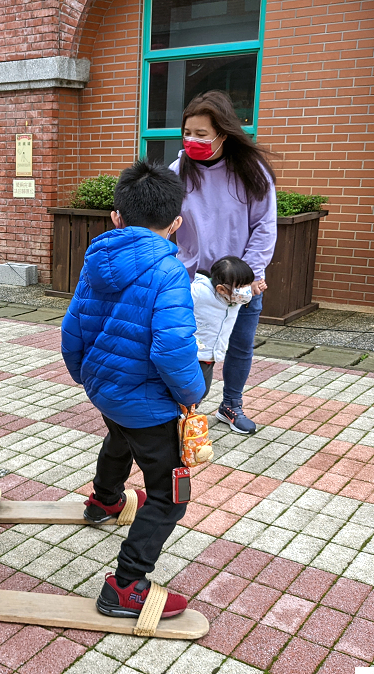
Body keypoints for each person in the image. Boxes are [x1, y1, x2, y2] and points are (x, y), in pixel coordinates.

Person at [61, 158, 206, 620]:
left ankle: (104, 500)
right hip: (148, 401)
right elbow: (173, 347)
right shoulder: (169, 272)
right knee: (169, 494)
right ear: (176, 223)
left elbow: (72, 328)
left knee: (119, 436)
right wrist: (192, 394)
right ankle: (126, 585)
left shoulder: (96, 262)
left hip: (105, 388)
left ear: (116, 217)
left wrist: (87, 375)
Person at [169, 90, 276, 435]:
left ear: (223, 134)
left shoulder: (250, 171)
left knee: (240, 346)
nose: (192, 140)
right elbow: (161, 222)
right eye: (187, 133)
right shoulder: (178, 171)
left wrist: (247, 278)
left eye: (201, 134)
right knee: (195, 349)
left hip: (242, 282)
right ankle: (188, 411)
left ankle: (231, 405)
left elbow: (264, 226)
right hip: (195, 283)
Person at [192, 256, 255, 401]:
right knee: (190, 393)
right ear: (221, 289)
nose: (246, 291)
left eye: (248, 285)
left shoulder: (234, 298)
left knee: (202, 391)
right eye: (241, 287)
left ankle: (187, 419)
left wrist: (257, 285)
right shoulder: (199, 292)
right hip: (192, 355)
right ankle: (178, 419)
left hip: (210, 356)